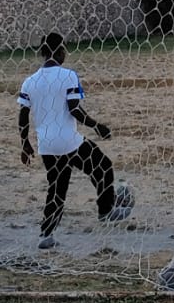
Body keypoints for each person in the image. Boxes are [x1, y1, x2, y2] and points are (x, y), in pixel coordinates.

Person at [17, 32, 128, 249]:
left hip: (46, 145)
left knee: (57, 188)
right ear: (60, 51)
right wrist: (99, 126)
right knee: (103, 166)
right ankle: (106, 211)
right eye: (64, 50)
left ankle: (45, 235)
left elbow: (23, 115)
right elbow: (75, 109)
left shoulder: (29, 81)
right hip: (69, 142)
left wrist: (24, 143)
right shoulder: (68, 75)